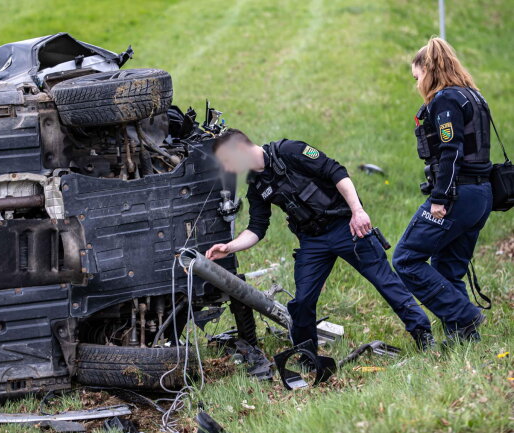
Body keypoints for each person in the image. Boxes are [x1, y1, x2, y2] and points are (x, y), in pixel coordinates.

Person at [205, 129, 434, 350]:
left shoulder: (290, 150)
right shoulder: (256, 185)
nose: (227, 167)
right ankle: (306, 354)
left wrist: (357, 211)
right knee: (302, 302)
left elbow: (335, 171)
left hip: (346, 227)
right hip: (312, 241)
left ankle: (423, 335)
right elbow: (257, 227)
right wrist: (229, 247)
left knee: (385, 282)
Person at [392, 38, 492, 344]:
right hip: (481, 195)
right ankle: (465, 340)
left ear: (429, 70)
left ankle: (465, 315)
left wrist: (440, 198)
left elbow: (452, 152)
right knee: (448, 269)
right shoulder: (473, 96)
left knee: (406, 259)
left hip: (457, 197)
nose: (417, 84)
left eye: (417, 77)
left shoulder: (446, 101)